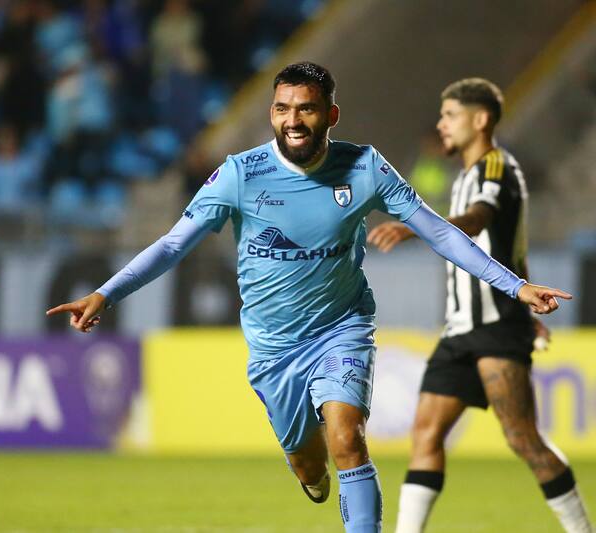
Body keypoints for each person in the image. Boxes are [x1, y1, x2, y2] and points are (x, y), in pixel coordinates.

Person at [47, 63, 570, 533]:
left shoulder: (364, 167)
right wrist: (106, 293)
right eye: (281, 109)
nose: (292, 120)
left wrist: (516, 286)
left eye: (305, 108)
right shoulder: (239, 174)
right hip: (273, 348)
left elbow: (438, 232)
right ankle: (309, 471)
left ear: (331, 113)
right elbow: (173, 244)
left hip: (342, 325)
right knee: (311, 466)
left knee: (348, 437)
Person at [368, 78, 592, 533]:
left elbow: (476, 221)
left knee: (523, 439)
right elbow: (515, 249)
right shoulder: (468, 175)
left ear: (480, 119)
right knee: (426, 433)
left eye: (450, 115)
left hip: (493, 329)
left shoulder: (495, 168)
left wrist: (419, 226)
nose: (441, 125)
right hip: (459, 330)